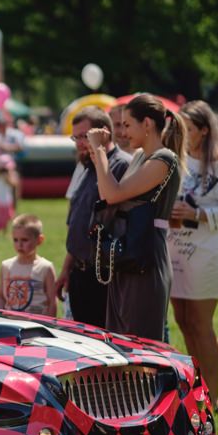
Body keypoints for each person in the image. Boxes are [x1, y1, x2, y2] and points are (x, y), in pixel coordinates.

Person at [87, 94, 184, 341]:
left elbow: (112, 194)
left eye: (128, 125)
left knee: (140, 347)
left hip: (145, 258)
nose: (124, 132)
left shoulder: (164, 159)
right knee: (118, 341)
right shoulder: (141, 156)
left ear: (148, 124)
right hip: (127, 255)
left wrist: (99, 150)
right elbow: (109, 194)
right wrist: (97, 154)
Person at [169, 100, 218, 413]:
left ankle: (212, 397)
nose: (182, 134)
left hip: (208, 251)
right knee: (183, 321)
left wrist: (198, 214)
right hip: (176, 248)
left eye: (187, 129)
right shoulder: (177, 158)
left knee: (201, 324)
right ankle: (196, 388)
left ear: (203, 130)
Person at [54, 107, 132, 328]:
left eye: (84, 136)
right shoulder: (87, 166)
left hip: (104, 275)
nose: (79, 143)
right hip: (81, 272)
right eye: (75, 137)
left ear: (103, 133)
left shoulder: (120, 166)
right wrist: (66, 269)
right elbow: (77, 224)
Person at [0, 214, 57, 316]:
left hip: (36, 325)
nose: (19, 244)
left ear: (39, 240)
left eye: (24, 240)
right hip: (11, 323)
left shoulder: (46, 268)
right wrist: (0, 315)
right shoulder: (6, 266)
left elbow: (52, 301)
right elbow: (1, 296)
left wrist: (49, 325)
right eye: (15, 240)